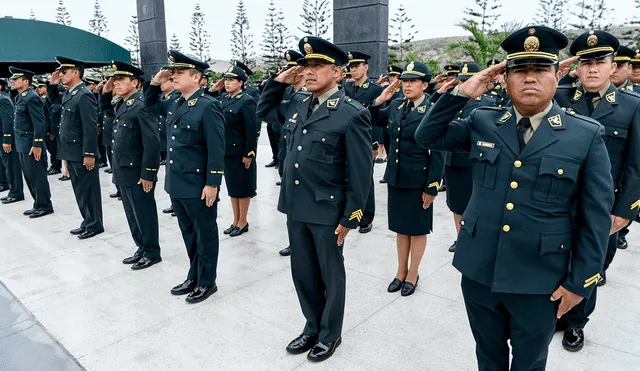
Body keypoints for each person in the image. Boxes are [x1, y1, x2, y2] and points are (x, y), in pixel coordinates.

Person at [414, 25, 614, 370]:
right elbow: (427, 135)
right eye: (520, 70)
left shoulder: (585, 135)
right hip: (479, 271)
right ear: (504, 79)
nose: (530, 78)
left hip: (541, 279)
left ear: (557, 76)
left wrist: (580, 283)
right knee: (488, 357)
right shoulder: (484, 122)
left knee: (530, 362)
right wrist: (463, 91)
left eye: (540, 70)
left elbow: (595, 219)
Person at [257, 36, 372, 362]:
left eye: (317, 66)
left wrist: (351, 217)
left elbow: (361, 173)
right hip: (296, 205)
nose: (307, 72)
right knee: (303, 272)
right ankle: (311, 326)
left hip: (328, 209)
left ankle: (329, 334)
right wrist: (279, 81)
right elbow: (264, 110)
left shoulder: (352, 114)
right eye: (305, 66)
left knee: (330, 275)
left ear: (338, 73)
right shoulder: (298, 103)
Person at [553, 30, 640, 352]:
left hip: (604, 206)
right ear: (577, 67)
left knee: (590, 264)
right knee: (557, 259)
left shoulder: (632, 106)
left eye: (600, 62)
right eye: (585, 62)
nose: (592, 69)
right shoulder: (560, 97)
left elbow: (636, 164)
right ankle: (557, 313)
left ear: (612, 65)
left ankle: (577, 322)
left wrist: (626, 209)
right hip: (558, 201)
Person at [145, 50, 225, 304]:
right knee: (188, 233)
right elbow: (149, 104)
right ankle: (194, 275)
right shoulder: (176, 102)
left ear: (197, 77)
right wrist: (155, 82)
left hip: (199, 184)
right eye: (173, 72)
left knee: (205, 233)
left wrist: (213, 183)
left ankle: (207, 281)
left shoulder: (208, 106)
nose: (174, 76)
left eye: (179, 73)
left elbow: (216, 148)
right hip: (177, 183)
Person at [370, 61, 445, 296]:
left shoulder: (433, 109)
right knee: (401, 228)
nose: (407, 85)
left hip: (419, 180)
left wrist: (432, 187)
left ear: (425, 84)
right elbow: (372, 118)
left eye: (413, 81)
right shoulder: (397, 106)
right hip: (397, 177)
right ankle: (400, 271)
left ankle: (413, 273)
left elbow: (439, 151)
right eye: (404, 81)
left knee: (418, 229)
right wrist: (379, 100)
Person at [431, 63, 498, 253]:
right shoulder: (453, 99)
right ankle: (460, 237)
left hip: (475, 162)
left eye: (468, 79)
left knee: (477, 205)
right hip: (453, 161)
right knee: (457, 204)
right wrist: (441, 93)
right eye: (462, 80)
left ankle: (476, 240)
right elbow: (434, 116)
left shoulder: (488, 102)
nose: (465, 83)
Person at [101, 61, 162, 270]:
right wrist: (105, 92)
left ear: (135, 83)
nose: (116, 83)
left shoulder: (142, 105)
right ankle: (142, 247)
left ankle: (152, 251)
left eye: (121, 79)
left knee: (144, 211)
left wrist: (149, 174)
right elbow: (106, 112)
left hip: (138, 171)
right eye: (115, 79)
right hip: (123, 169)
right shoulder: (122, 104)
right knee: (131, 212)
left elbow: (152, 144)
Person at [49, 57, 104, 239]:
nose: (61, 75)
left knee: (89, 189)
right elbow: (53, 101)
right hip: (71, 152)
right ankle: (87, 220)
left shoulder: (84, 95)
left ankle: (95, 223)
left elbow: (90, 127)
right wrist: (52, 85)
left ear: (75, 72)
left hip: (82, 152)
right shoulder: (69, 93)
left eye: (64, 71)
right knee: (79, 189)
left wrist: (89, 154)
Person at [342, 51, 384, 234]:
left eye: (356, 66)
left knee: (365, 179)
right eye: (351, 66)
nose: (353, 69)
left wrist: (375, 143)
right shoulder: (346, 88)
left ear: (366, 67)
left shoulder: (375, 89)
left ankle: (367, 216)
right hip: (346, 140)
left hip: (366, 141)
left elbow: (379, 120)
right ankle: (352, 212)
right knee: (348, 177)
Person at [6, 67, 54, 218]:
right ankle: (38, 204)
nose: (12, 81)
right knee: (29, 176)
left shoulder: (32, 97)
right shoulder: (21, 96)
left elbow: (40, 123)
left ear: (25, 81)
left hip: (31, 144)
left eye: (15, 79)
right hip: (22, 143)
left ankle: (45, 205)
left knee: (37, 176)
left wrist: (38, 144)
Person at [218, 65, 257, 237]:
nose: (227, 83)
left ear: (240, 82)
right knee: (233, 188)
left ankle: (243, 222)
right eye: (226, 79)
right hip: (227, 152)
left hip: (240, 152)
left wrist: (248, 153)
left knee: (243, 188)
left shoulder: (246, 101)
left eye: (231, 80)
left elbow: (251, 130)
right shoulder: (225, 99)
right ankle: (235, 220)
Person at [0, 78, 24, 203]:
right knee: (7, 165)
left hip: (7, 139)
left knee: (12, 166)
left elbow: (8, 121)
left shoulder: (3, 99)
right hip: (3, 138)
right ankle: (12, 189)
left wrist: (7, 139)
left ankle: (16, 192)